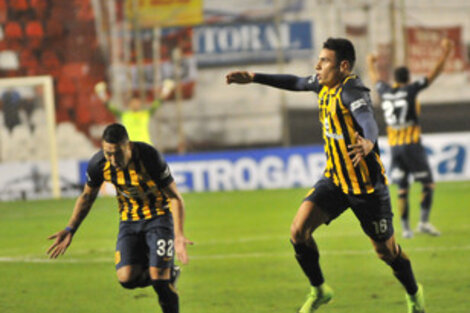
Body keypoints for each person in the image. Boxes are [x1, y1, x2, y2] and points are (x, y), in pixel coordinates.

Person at [226, 38, 425, 313]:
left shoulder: (351, 92)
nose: (317, 66)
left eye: (325, 61)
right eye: (319, 60)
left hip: (366, 189)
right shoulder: (323, 84)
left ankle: (414, 293)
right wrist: (254, 77)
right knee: (298, 231)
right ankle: (319, 289)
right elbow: (295, 82)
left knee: (387, 252)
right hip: (334, 180)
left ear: (343, 66)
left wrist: (368, 141)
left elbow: (367, 118)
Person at [47, 123, 192, 313]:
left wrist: (179, 235)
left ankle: (163, 276)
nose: (113, 159)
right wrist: (70, 229)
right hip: (129, 221)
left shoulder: (149, 157)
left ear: (128, 146)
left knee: (159, 281)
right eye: (108, 153)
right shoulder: (99, 164)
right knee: (126, 278)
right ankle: (168, 272)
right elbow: (87, 197)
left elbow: (175, 197)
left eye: (117, 153)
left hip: (159, 217)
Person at [366, 38, 453, 238]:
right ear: (408, 79)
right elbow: (433, 74)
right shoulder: (410, 90)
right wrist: (446, 53)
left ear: (394, 80)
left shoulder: (386, 91)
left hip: (394, 146)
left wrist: (371, 62)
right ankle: (423, 222)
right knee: (428, 183)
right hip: (411, 145)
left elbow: (375, 80)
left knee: (402, 188)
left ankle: (405, 229)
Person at [94, 80, 175, 145]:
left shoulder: (145, 114)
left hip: (145, 146)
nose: (136, 105)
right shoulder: (124, 115)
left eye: (137, 103)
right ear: (129, 104)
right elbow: (109, 106)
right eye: (133, 103)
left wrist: (167, 89)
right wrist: (101, 92)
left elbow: (159, 102)